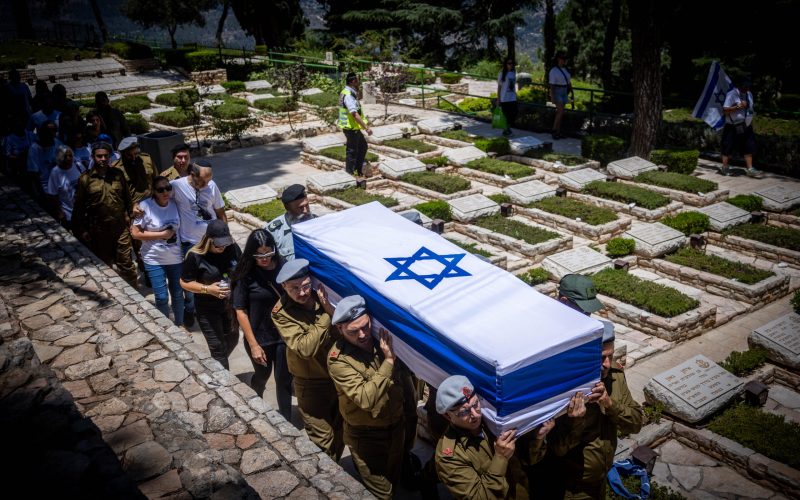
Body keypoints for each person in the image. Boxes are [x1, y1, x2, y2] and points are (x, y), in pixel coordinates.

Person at [327, 295, 411, 499]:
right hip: (366, 437)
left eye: (365, 326)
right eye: (353, 331)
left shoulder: (383, 338)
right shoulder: (338, 361)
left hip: (396, 428)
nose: (363, 334)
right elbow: (366, 398)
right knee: (383, 494)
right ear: (340, 329)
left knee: (393, 480)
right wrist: (389, 361)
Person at [548, 322, 643, 499]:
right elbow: (556, 449)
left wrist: (610, 404)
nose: (607, 364)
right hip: (571, 490)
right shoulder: (566, 388)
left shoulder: (615, 376)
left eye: (611, 356)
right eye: (600, 358)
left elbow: (636, 423)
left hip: (600, 481)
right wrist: (574, 421)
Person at [434, 375, 554, 499]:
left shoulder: (493, 421)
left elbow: (529, 460)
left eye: (475, 404)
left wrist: (538, 438)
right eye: (464, 412)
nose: (475, 415)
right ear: (447, 416)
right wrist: (500, 458)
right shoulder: (449, 456)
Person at [272, 258, 344, 460]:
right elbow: (305, 348)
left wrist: (329, 307)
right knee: (322, 442)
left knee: (340, 433)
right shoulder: (281, 313)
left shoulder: (328, 295)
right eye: (294, 288)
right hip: (311, 384)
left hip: (339, 379)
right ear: (283, 286)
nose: (302, 293)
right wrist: (328, 314)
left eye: (305, 286)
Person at [230, 229, 292, 419]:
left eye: (268, 253)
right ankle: (256, 399)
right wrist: (254, 345)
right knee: (262, 375)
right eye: (259, 254)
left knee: (283, 380)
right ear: (251, 253)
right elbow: (240, 310)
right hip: (259, 337)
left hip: (283, 334)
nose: (265, 258)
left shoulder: (283, 266)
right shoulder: (245, 275)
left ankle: (286, 420)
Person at [71, 141, 138, 288]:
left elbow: (128, 199)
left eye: (105, 156)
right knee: (105, 265)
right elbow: (79, 207)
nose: (102, 159)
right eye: (99, 156)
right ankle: (116, 295)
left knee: (126, 263)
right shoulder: (85, 179)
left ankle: (136, 293)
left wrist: (131, 220)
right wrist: (81, 230)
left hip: (120, 228)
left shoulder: (118, 175)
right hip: (98, 230)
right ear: (93, 157)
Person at [170, 159, 227, 328]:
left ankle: (211, 313)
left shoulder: (211, 186)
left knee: (214, 279)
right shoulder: (177, 186)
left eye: (209, 180)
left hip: (212, 243)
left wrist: (225, 236)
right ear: (192, 175)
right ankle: (190, 310)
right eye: (203, 180)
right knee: (190, 284)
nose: (206, 184)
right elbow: (157, 197)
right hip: (191, 244)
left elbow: (220, 213)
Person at [180, 219, 242, 369]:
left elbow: (242, 270)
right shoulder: (195, 256)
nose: (223, 247)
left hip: (229, 307)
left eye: (225, 242)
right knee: (218, 348)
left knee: (233, 338)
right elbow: (184, 282)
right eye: (218, 244)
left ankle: (214, 367)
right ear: (208, 240)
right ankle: (225, 383)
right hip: (207, 309)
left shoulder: (232, 249)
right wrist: (208, 289)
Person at [131, 176, 184, 326]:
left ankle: (179, 325)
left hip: (175, 258)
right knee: (161, 297)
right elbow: (135, 233)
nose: (165, 192)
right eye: (160, 190)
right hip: (154, 258)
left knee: (178, 294)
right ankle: (167, 328)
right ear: (153, 191)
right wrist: (162, 235)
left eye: (168, 188)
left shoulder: (176, 203)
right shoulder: (145, 206)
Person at [266, 184, 317, 264]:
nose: (305, 211)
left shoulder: (318, 222)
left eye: (307, 205)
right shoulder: (273, 232)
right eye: (300, 207)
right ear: (287, 208)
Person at [721, 79, 762, 178]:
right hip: (733, 126)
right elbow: (725, 111)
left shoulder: (749, 94)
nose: (747, 88)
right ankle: (725, 167)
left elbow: (750, 108)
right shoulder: (732, 94)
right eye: (745, 86)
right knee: (728, 146)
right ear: (740, 86)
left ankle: (750, 169)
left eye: (748, 87)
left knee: (748, 146)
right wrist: (737, 107)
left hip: (746, 125)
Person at [338, 72, 372, 177]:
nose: (359, 82)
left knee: (362, 147)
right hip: (351, 128)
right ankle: (351, 174)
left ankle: (357, 171)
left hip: (352, 127)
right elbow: (354, 114)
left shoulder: (349, 92)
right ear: (353, 81)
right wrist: (366, 128)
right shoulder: (348, 95)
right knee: (352, 151)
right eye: (357, 80)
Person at [46, 145, 85, 230]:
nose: (68, 158)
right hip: (68, 214)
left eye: (70, 155)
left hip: (84, 211)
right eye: (65, 156)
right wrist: (60, 212)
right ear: (59, 157)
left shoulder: (78, 165)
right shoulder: (55, 172)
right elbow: (52, 195)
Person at [114, 136, 159, 205]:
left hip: (151, 200)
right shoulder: (116, 168)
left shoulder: (147, 159)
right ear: (123, 153)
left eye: (136, 154)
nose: (134, 158)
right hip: (134, 205)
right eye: (129, 155)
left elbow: (156, 178)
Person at [26, 120, 63, 195]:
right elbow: (34, 174)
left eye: (54, 131)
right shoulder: (34, 149)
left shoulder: (57, 143)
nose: (51, 133)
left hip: (59, 182)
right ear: (42, 132)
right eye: (48, 131)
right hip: (45, 185)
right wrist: (42, 194)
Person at [549, 52, 573, 140]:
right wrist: (552, 96)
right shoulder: (553, 71)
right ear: (558, 59)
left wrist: (571, 91)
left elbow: (569, 81)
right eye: (563, 58)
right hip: (557, 91)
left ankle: (558, 132)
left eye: (565, 59)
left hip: (564, 91)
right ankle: (554, 130)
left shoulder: (566, 69)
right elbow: (551, 85)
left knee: (560, 113)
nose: (564, 60)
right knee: (560, 112)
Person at [497, 58, 518, 136]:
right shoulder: (502, 73)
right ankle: (506, 130)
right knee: (506, 115)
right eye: (509, 63)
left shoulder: (513, 73)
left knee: (513, 114)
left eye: (512, 63)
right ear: (505, 64)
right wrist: (498, 98)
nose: (511, 65)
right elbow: (499, 87)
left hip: (512, 97)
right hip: (504, 98)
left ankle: (508, 129)